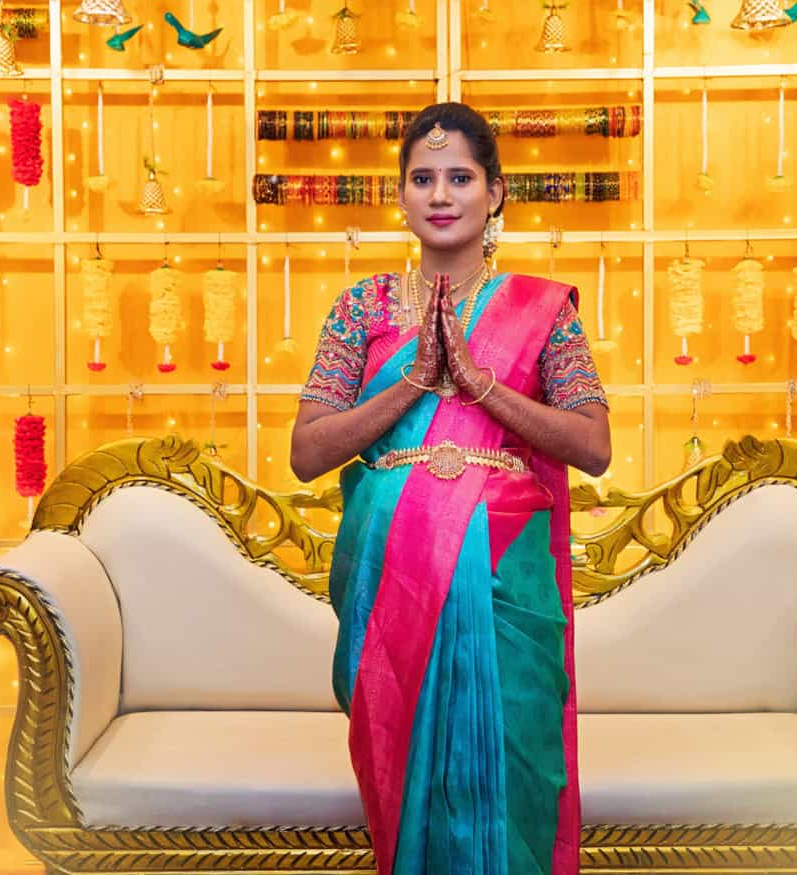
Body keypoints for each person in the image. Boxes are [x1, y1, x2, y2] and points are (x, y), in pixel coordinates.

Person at [289, 101, 611, 875]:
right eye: (423, 178)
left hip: (509, 580)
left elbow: (593, 445)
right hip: (390, 574)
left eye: (460, 177)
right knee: (407, 778)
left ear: (495, 192)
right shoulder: (361, 308)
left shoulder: (545, 314)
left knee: (514, 768)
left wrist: (480, 383)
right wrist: (412, 387)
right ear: (400, 196)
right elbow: (307, 451)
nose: (441, 194)